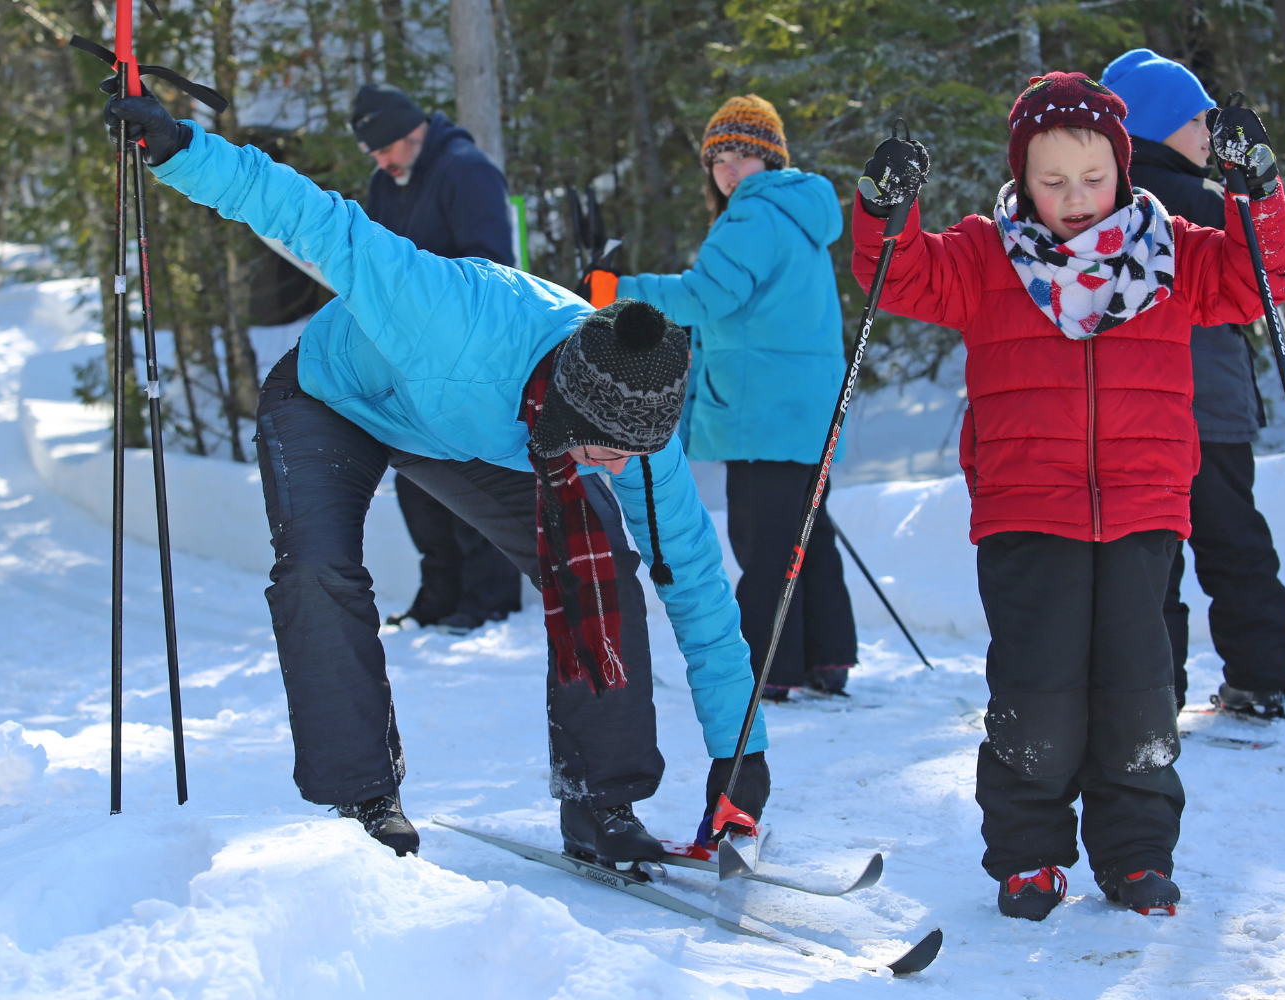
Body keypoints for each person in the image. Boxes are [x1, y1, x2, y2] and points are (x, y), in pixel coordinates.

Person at [103, 89, 771, 863]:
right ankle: (365, 796)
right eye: (609, 451)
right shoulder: (447, 309)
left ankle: (602, 803)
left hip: (450, 429)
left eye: (631, 454)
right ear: (567, 407)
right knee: (319, 570)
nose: (623, 469)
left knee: (607, 570)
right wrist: (183, 147)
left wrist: (741, 751)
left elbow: (694, 582)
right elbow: (311, 217)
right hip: (335, 399)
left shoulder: (634, 420)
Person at [850, 72, 1285, 921]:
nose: (1076, 199)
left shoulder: (1172, 249)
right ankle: (1028, 857)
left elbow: (1256, 281)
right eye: (1052, 182)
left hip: (1143, 508)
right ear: (1023, 176)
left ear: (1123, 172)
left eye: (1092, 179)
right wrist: (885, 207)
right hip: (1027, 510)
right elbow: (897, 276)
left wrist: (1255, 193)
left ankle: (1137, 858)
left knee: (1139, 696)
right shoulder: (985, 256)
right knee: (1037, 692)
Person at [583, 95, 857, 702]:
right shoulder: (797, 214)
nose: (730, 171)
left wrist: (615, 290)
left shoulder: (754, 215)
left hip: (762, 406)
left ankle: (768, 668)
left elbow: (707, 297)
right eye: (719, 159)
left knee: (763, 539)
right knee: (807, 530)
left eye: (744, 156)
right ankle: (826, 657)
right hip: (805, 406)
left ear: (772, 159)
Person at [1101, 50, 1285, 717]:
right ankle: (1260, 673)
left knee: (1152, 553)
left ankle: (1157, 688)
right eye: (1198, 118)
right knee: (1233, 539)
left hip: (1137, 409)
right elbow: (1261, 275)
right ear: (1159, 126)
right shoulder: (1202, 200)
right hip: (1208, 402)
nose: (1210, 131)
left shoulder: (1108, 203)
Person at [349, 83, 524, 633]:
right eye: (372, 153)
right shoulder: (388, 180)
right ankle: (440, 594)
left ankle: (489, 598)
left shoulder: (466, 171)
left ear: (412, 132)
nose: (380, 161)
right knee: (417, 482)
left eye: (385, 148)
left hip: (467, 355)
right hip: (407, 357)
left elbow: (492, 268)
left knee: (470, 477)